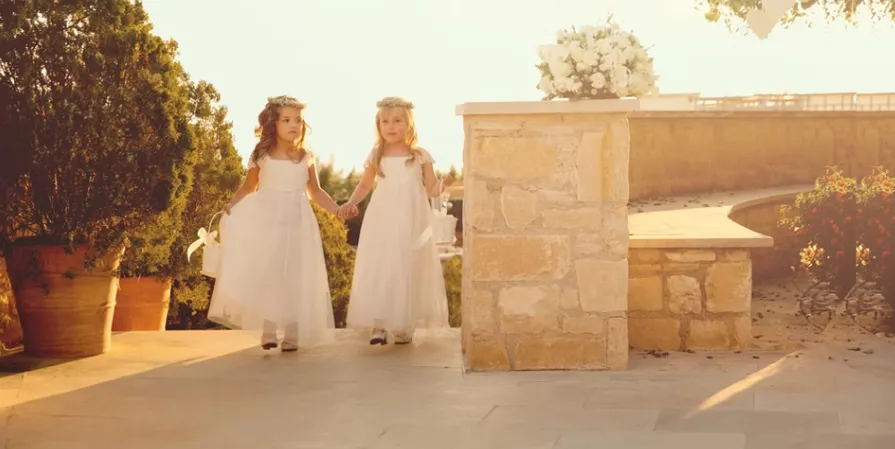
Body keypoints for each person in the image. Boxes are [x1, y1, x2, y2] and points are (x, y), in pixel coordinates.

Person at [208, 95, 342, 352]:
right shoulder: (262, 155)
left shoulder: (305, 156)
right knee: (269, 270)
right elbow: (249, 186)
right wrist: (232, 205)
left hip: (298, 221)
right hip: (267, 219)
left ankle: (291, 331)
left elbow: (315, 191)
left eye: (299, 120)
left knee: (294, 273)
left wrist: (336, 209)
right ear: (273, 124)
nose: (294, 125)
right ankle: (269, 329)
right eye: (287, 120)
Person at [340, 96, 451, 345]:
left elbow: (431, 188)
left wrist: (444, 184)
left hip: (411, 216)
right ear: (378, 125)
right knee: (382, 264)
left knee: (406, 265)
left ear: (409, 124)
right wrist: (351, 202)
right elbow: (365, 183)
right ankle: (378, 325)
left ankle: (403, 323)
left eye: (397, 121)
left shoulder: (420, 155)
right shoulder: (377, 154)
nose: (391, 126)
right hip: (383, 215)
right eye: (385, 121)